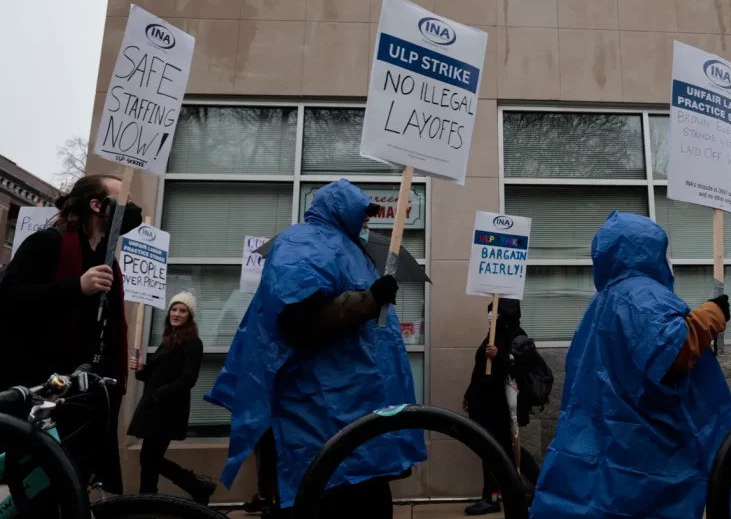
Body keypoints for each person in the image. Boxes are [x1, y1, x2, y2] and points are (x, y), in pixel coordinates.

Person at [205, 180, 426, 518]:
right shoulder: (304, 241)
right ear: (340, 209)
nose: (368, 220)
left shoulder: (351, 251)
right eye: (362, 212)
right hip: (321, 420)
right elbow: (298, 321)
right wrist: (370, 299)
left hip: (354, 420)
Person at [529, 211, 731, 519]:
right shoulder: (641, 292)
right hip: (643, 451)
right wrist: (712, 315)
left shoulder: (603, 300)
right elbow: (672, 350)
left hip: (604, 445)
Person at [0, 174, 143, 495]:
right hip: (39, 391)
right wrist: (76, 287)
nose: (131, 208)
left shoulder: (108, 261)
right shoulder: (47, 243)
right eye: (124, 200)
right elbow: (8, 299)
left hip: (83, 398)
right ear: (97, 205)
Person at [127, 291, 217, 503]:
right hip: (155, 409)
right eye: (174, 310)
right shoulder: (168, 340)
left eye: (182, 311)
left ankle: (188, 488)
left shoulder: (193, 343)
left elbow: (188, 379)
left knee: (150, 458)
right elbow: (156, 376)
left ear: (189, 316)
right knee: (150, 459)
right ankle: (192, 488)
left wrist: (159, 395)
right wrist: (141, 370)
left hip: (168, 411)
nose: (176, 314)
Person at [463, 299, 540, 516]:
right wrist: (471, 394)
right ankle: (492, 496)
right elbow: (480, 368)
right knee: (492, 449)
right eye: (490, 313)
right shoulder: (492, 336)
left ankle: (539, 485)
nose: (491, 317)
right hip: (485, 404)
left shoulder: (517, 337)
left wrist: (500, 356)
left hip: (500, 407)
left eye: (495, 313)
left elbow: (520, 368)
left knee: (507, 450)